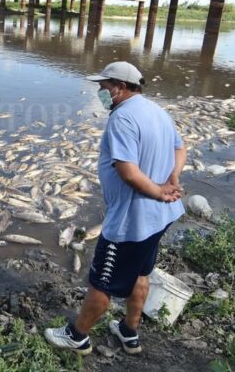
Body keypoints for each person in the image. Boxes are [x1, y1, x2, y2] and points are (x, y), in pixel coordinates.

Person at [44, 61, 186, 356]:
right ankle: (128, 331)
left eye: (104, 87)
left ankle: (77, 336)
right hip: (160, 219)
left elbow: (128, 172)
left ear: (120, 88)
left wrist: (160, 192)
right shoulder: (156, 110)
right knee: (140, 274)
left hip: (131, 222)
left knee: (101, 282)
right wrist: (173, 177)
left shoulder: (122, 118)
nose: (99, 92)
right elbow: (180, 147)